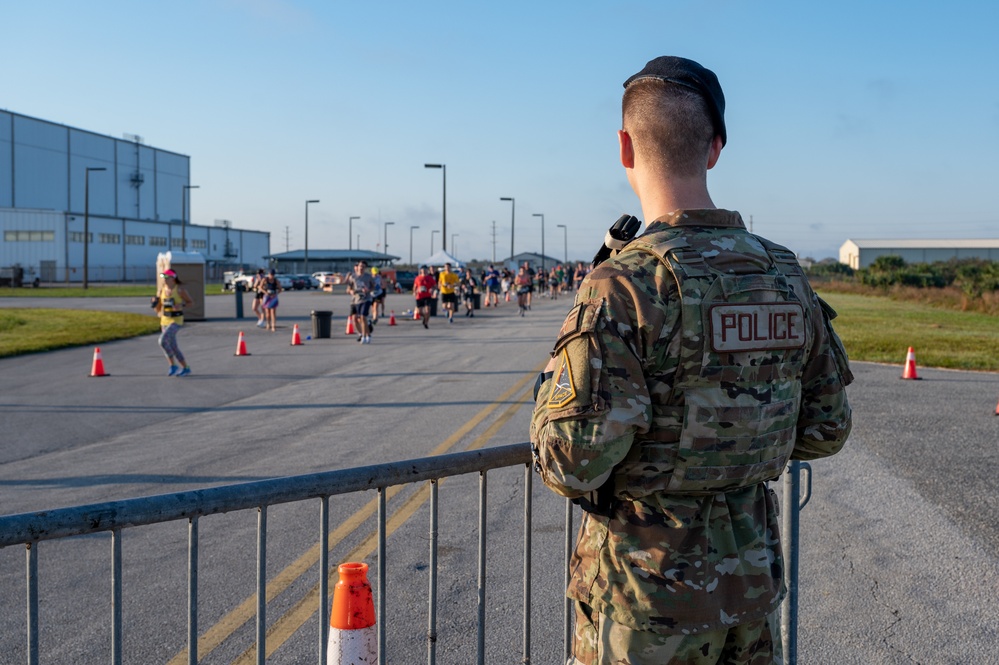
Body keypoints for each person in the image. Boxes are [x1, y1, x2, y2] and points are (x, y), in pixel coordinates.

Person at [529, 56, 854, 665]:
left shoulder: (622, 286)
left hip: (644, 605)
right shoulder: (784, 275)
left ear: (625, 147)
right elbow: (827, 428)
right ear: (716, 148)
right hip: (750, 590)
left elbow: (570, 462)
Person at [154, 269, 194, 376]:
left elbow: (190, 303)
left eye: (167, 277)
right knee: (173, 346)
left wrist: (181, 305)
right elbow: (158, 309)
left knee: (162, 340)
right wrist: (155, 303)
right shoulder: (161, 290)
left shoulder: (180, 290)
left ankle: (173, 366)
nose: (165, 280)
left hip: (176, 320)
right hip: (164, 321)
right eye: (164, 278)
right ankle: (185, 367)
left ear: (173, 278)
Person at [344, 260, 375, 343]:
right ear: (357, 267)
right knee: (356, 319)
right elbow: (348, 288)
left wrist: (368, 290)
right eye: (360, 266)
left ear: (365, 268)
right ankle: (362, 334)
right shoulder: (353, 277)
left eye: (363, 267)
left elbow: (374, 286)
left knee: (362, 317)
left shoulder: (368, 277)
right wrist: (351, 291)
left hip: (366, 299)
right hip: (355, 300)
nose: (361, 268)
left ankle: (365, 336)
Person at [412, 264, 436, 329]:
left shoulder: (430, 278)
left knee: (427, 310)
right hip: (419, 296)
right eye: (422, 270)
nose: (424, 272)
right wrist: (414, 292)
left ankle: (426, 322)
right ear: (420, 271)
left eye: (425, 270)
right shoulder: (417, 278)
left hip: (427, 296)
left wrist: (432, 289)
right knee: (419, 312)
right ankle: (424, 318)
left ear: (427, 271)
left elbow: (434, 286)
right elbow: (415, 286)